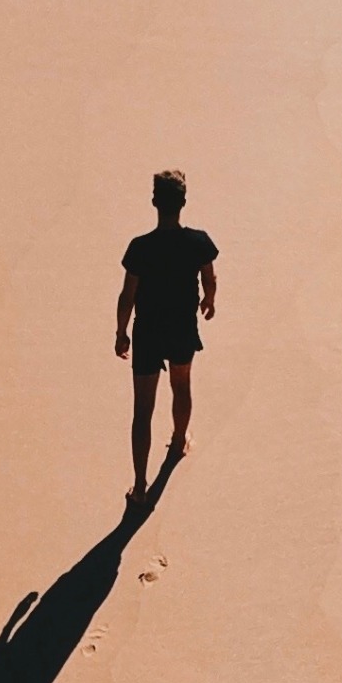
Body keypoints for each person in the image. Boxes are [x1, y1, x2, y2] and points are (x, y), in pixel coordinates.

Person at [114, 170, 218, 506]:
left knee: (142, 409)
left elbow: (127, 295)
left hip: (147, 332)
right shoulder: (198, 242)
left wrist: (121, 332)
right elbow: (209, 277)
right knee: (181, 386)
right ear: (183, 202)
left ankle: (141, 487)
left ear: (155, 202)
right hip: (181, 328)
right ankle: (177, 441)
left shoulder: (140, 247)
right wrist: (208, 300)